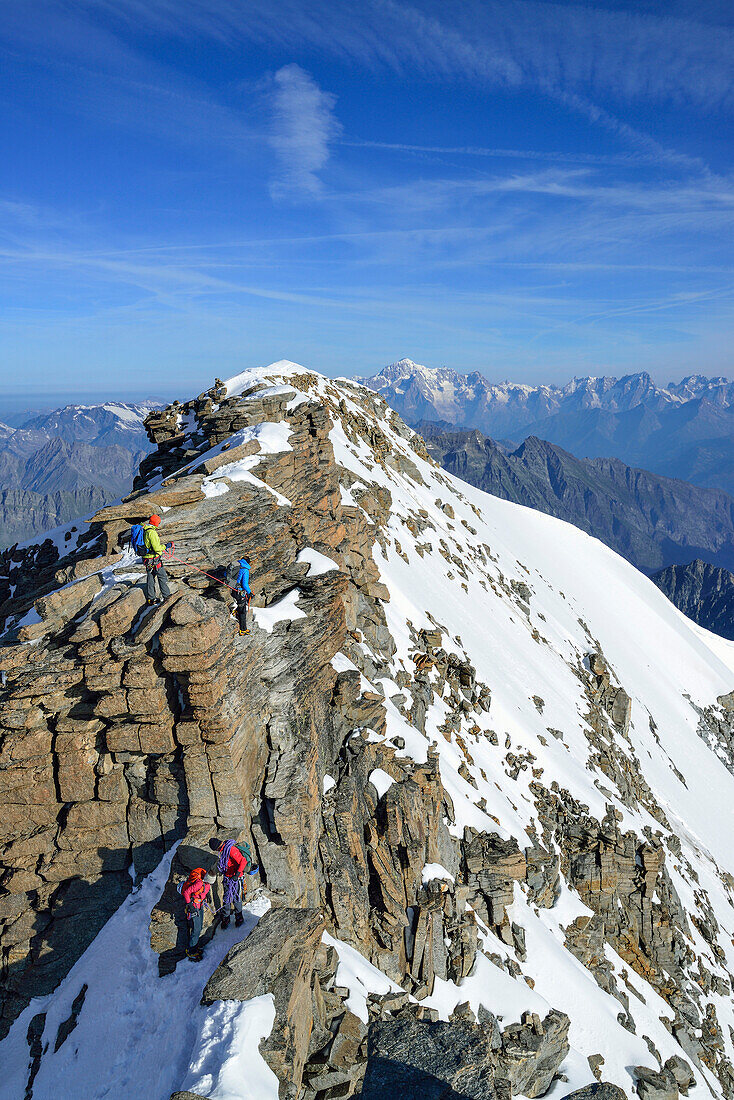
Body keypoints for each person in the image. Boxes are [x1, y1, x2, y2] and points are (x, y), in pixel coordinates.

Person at [209, 837, 258, 929]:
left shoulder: (231, 849)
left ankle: (239, 917)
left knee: (236, 897)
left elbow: (243, 861)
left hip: (236, 878)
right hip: (228, 877)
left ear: (216, 848)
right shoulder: (224, 849)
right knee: (226, 897)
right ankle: (226, 917)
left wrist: (237, 874)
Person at [181, 868, 216, 962]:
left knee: (199, 927)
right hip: (194, 906)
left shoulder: (207, 884)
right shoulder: (199, 883)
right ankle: (191, 951)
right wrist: (190, 906)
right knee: (196, 929)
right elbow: (186, 892)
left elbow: (206, 889)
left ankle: (194, 947)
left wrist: (207, 895)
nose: (211, 884)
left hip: (199, 905)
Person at [143, 514, 172, 605]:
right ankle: (167, 597)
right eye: (158, 522)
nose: (158, 524)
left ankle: (151, 599)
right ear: (155, 523)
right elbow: (156, 548)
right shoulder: (152, 532)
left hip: (147, 559)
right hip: (154, 559)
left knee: (151, 577)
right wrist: (166, 546)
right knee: (162, 577)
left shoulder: (145, 530)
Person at [227, 557, 252, 636]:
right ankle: (243, 629)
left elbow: (226, 575)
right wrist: (250, 592)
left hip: (233, 590)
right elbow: (245, 584)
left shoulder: (235, 566)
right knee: (243, 611)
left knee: (240, 606)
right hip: (240, 592)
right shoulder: (245, 570)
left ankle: (235, 612)